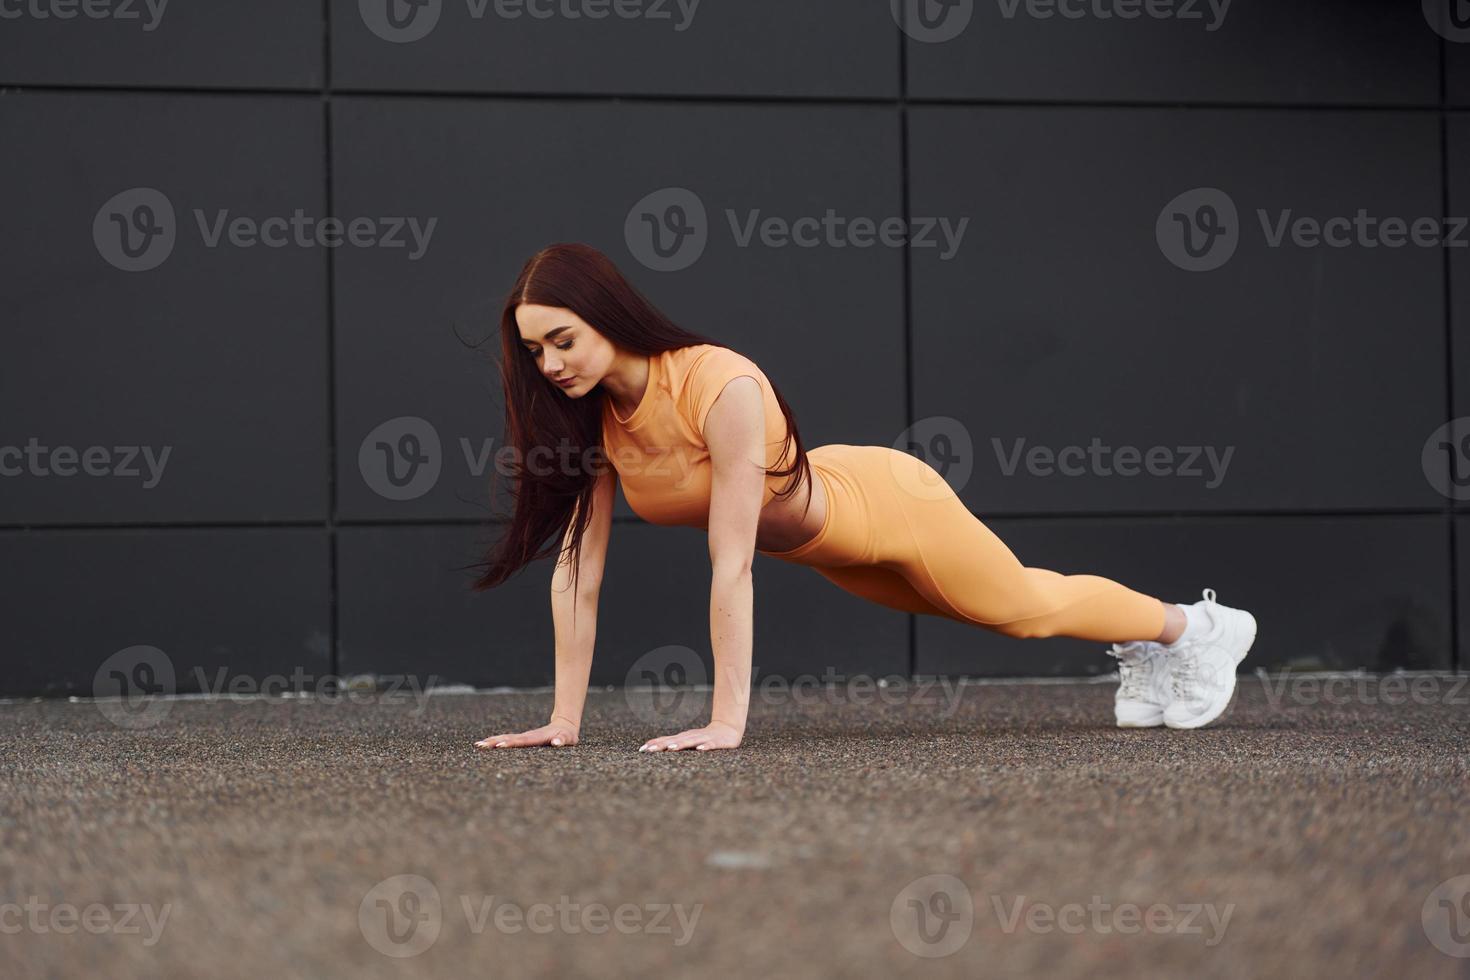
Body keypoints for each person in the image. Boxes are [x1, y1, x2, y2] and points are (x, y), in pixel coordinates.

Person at [470, 243, 1257, 753]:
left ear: (606, 314)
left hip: (885, 501)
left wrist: (726, 722)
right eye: (534, 349)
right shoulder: (593, 424)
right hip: (826, 547)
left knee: (1020, 609)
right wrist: (563, 722)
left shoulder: (720, 383)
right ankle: (1163, 643)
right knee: (981, 607)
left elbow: (732, 564)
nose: (548, 364)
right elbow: (578, 574)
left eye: (562, 340)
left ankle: (1196, 627)